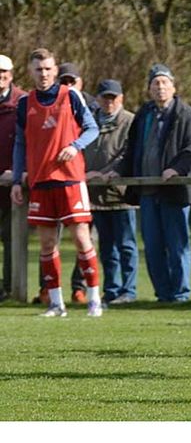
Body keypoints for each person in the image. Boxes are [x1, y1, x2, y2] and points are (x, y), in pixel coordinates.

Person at [10, 48, 102, 317]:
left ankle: (94, 299)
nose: (44, 74)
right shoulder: (25, 104)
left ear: (56, 69)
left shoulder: (70, 95)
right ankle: (56, 303)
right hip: (40, 181)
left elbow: (92, 128)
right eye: (39, 69)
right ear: (30, 71)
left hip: (70, 179)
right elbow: (20, 143)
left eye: (49, 68)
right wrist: (18, 179)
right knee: (47, 243)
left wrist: (74, 146)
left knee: (81, 238)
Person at [110, 64, 191, 302]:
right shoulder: (144, 114)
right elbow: (131, 151)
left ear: (173, 86)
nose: (160, 87)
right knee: (153, 247)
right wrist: (115, 172)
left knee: (178, 245)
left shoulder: (185, 113)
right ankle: (163, 294)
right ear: (149, 89)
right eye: (155, 83)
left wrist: (175, 169)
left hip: (175, 191)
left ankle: (180, 294)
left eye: (164, 83)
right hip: (147, 192)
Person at [83, 79, 138, 305]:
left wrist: (105, 172)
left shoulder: (130, 121)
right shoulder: (91, 121)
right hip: (96, 197)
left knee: (126, 245)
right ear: (97, 99)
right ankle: (111, 290)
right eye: (105, 97)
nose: (109, 102)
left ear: (121, 98)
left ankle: (129, 290)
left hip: (121, 194)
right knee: (106, 247)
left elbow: (128, 153)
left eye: (113, 97)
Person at [57, 61, 96, 304]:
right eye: (65, 81)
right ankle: (49, 291)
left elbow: (94, 132)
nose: (69, 86)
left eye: (73, 81)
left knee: (85, 237)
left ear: (80, 82)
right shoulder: (50, 102)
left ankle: (85, 291)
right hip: (58, 180)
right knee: (51, 238)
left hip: (85, 182)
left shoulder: (92, 105)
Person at [0, 54, 28, 301]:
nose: (0, 76)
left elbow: (27, 141)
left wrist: (17, 173)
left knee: (12, 238)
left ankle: (11, 289)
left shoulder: (22, 101)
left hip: (12, 183)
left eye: (3, 72)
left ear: (11, 74)